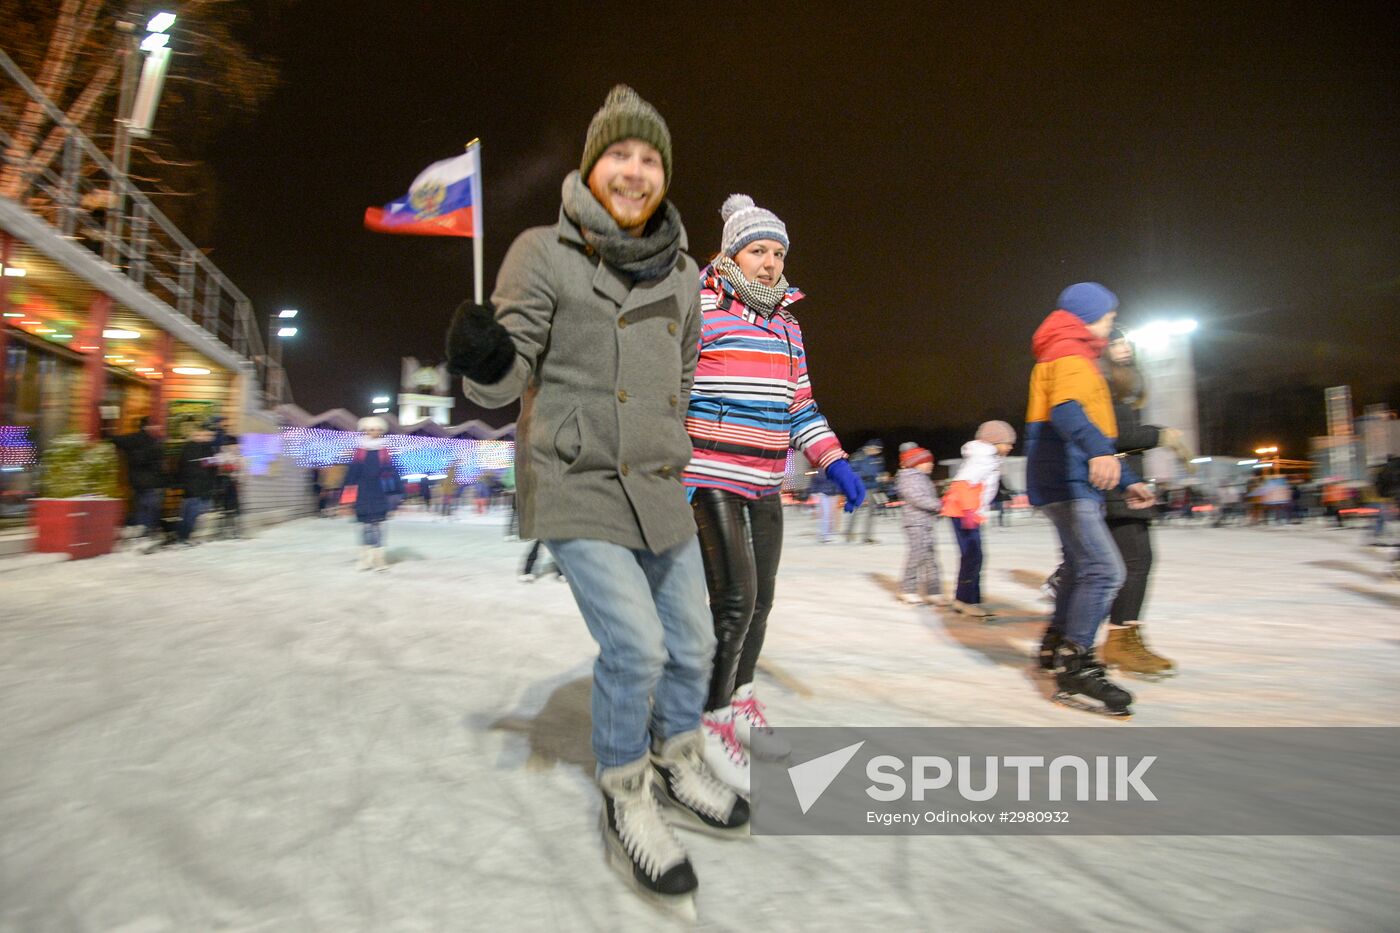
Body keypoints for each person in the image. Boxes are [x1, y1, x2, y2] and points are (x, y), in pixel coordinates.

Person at [446, 86, 746, 906]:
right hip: (575, 478)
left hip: (655, 482)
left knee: (693, 642)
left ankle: (676, 757)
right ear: (591, 166)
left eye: (650, 158)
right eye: (620, 154)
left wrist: (670, 436)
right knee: (638, 646)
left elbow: (684, 370)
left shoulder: (682, 272)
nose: (635, 170)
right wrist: (485, 356)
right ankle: (626, 787)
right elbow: (507, 376)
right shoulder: (542, 252)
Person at [683, 194, 865, 793]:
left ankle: (741, 700)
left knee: (762, 601)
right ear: (731, 254)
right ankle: (710, 721)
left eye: (778, 253)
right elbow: (668, 387)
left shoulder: (787, 325)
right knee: (735, 601)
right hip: (710, 472)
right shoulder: (700, 308)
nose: (769, 263)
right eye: (757, 250)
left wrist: (834, 460)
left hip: (765, 479)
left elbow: (800, 406)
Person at [1025, 283, 1155, 717]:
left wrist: (1126, 479)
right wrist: (1100, 453)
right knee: (1104, 570)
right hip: (1068, 481)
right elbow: (1066, 410)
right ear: (1088, 315)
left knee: (1082, 568)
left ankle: (1056, 645)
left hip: (1067, 478)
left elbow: (1092, 427)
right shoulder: (1069, 350)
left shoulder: (1068, 351)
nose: (1112, 323)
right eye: (1108, 316)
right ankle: (1076, 664)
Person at [1097, 330, 1179, 676]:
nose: (1125, 348)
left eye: (1126, 342)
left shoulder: (1123, 393)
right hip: (1114, 483)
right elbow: (1114, 436)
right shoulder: (1103, 385)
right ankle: (1118, 640)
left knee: (1138, 561)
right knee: (1134, 562)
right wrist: (1159, 435)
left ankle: (1128, 637)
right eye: (1116, 342)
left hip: (1127, 479)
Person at [939, 421, 1016, 618]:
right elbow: (962, 484)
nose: (1010, 447)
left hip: (966, 512)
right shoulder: (983, 458)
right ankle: (966, 600)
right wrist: (969, 512)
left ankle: (968, 599)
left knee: (974, 556)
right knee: (972, 557)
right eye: (1007, 443)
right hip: (964, 513)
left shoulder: (986, 457)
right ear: (994, 441)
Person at [339, 416, 402, 571]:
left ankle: (379, 559)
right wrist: (347, 500)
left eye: (378, 429)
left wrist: (396, 496)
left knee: (379, 526)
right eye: (371, 429)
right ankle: (365, 559)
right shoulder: (359, 452)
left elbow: (393, 474)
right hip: (362, 494)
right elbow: (351, 477)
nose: (375, 432)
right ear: (366, 431)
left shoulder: (386, 452)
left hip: (381, 494)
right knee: (365, 527)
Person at [895, 443, 945, 606]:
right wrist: (939, 505)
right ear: (916, 463)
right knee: (917, 556)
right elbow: (917, 499)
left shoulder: (922, 478)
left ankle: (934, 591)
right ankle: (907, 590)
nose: (931, 464)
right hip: (915, 523)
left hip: (925, 522)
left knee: (931, 558)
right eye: (927, 462)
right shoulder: (909, 477)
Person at [112, 415, 166, 539]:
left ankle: (144, 534)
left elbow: (116, 440)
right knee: (148, 509)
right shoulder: (145, 440)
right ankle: (145, 535)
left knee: (144, 508)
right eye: (155, 425)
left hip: (144, 482)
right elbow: (116, 440)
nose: (158, 428)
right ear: (146, 427)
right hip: (147, 482)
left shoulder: (148, 440)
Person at [174, 424, 218, 545]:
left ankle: (184, 536)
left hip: (196, 487)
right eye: (198, 435)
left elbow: (210, 467)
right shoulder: (195, 448)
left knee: (190, 513)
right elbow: (202, 467)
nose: (202, 437)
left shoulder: (201, 448)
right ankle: (183, 537)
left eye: (204, 435)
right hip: (195, 487)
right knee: (191, 513)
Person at [845, 440, 885, 543]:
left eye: (879, 450)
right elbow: (851, 471)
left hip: (873, 488)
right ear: (870, 447)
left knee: (871, 512)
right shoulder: (858, 456)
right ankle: (849, 533)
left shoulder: (878, 459)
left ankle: (867, 536)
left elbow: (880, 471)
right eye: (876, 449)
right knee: (857, 511)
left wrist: (882, 476)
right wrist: (865, 476)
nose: (878, 451)